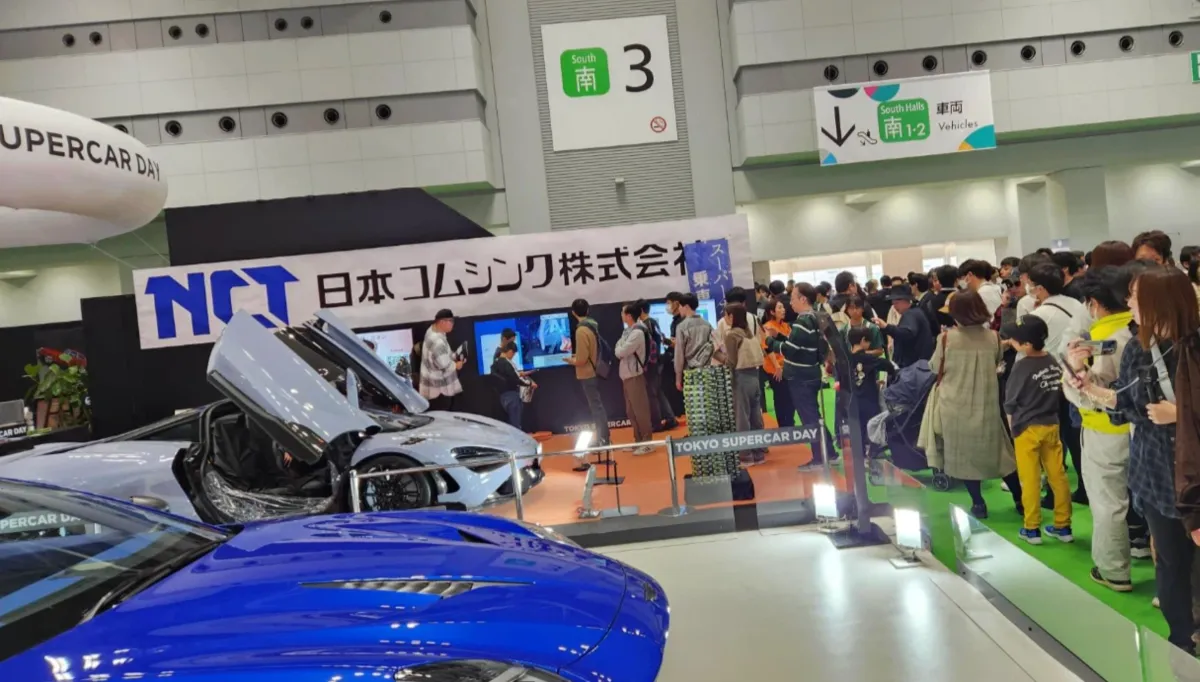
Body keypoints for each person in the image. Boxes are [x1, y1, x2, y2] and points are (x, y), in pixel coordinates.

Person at [1068, 266, 1197, 654]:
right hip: (1156, 472)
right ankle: (1181, 640)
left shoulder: (1194, 345)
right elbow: (1125, 404)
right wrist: (1088, 386)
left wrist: (1181, 414)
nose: (1129, 304)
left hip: (1193, 473)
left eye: (1136, 297)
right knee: (1170, 562)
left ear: (1161, 302)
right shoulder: (1139, 348)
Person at [1062, 266, 1141, 592]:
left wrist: (1074, 369)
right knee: (1153, 504)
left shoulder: (1097, 341)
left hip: (1104, 428)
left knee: (1109, 502)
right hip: (1148, 428)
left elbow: (1082, 392)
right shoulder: (1142, 330)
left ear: (1093, 303)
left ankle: (1113, 570)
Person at [922, 291, 1022, 519]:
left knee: (963, 457)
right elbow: (997, 361)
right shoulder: (993, 337)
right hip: (986, 404)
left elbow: (934, 367)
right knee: (1001, 454)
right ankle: (1020, 499)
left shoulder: (946, 338)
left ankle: (978, 503)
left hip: (954, 406)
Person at [1003, 315, 1073, 545]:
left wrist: (1013, 429)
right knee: (1058, 476)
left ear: (1026, 344)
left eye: (1015, 339)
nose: (1011, 342)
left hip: (1026, 429)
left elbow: (1010, 402)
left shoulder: (1021, 366)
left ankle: (1031, 528)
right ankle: (1063, 525)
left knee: (1030, 479)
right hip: (1052, 424)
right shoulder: (1052, 361)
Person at [1024, 262, 1089, 504]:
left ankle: (1054, 493)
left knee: (1052, 440)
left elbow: (1028, 351)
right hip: (1077, 376)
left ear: (1040, 288)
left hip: (1047, 381)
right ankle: (1083, 487)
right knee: (1074, 437)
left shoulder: (1039, 315)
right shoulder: (1077, 305)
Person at [766, 283, 836, 467]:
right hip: (810, 372)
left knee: (809, 418)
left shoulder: (803, 322)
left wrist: (769, 341)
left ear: (803, 299)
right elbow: (800, 344)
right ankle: (829, 452)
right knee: (813, 415)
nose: (790, 303)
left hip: (801, 377)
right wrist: (779, 337)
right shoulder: (814, 317)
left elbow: (790, 350)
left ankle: (820, 457)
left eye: (793, 298)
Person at [724, 302, 767, 466]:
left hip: (740, 378)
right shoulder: (749, 333)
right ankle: (759, 453)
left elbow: (731, 362)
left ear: (731, 316)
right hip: (755, 376)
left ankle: (745, 455)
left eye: (726, 315)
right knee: (756, 416)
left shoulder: (732, 335)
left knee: (742, 417)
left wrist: (717, 355)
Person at [564, 298, 610, 450]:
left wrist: (571, 360)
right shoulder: (592, 326)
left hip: (588, 373)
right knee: (597, 406)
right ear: (588, 310)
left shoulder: (581, 330)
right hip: (594, 370)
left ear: (573, 313)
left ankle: (603, 439)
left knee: (596, 408)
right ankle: (603, 437)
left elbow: (582, 359)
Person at [846, 326, 896, 454]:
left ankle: (860, 455)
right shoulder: (869, 359)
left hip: (852, 400)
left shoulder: (846, 359)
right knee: (873, 427)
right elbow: (888, 366)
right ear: (863, 340)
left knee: (858, 431)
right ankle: (874, 452)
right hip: (869, 399)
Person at [615, 303, 655, 455]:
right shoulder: (628, 331)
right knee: (631, 411)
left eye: (622, 313)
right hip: (627, 375)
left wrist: (620, 348)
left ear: (629, 316)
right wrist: (620, 347)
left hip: (635, 376)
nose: (621, 315)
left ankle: (647, 442)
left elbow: (620, 351)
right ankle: (638, 440)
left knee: (640, 411)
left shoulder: (637, 332)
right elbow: (619, 347)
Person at [637, 299, 678, 430]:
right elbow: (661, 338)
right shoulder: (652, 322)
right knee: (657, 392)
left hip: (652, 363)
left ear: (641, 310)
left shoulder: (646, 324)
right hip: (657, 362)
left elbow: (650, 345)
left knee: (653, 393)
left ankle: (658, 423)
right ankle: (669, 418)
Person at [873, 284, 933, 368]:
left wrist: (887, 327)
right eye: (893, 304)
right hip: (917, 363)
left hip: (914, 365)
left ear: (906, 300)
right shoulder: (915, 312)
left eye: (896, 303)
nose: (895, 307)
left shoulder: (911, 314)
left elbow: (907, 333)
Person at [419, 309, 464, 411]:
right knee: (443, 416)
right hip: (439, 392)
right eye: (451, 321)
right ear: (442, 322)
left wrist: (454, 356)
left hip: (432, 388)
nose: (453, 324)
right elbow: (445, 366)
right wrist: (457, 365)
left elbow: (442, 354)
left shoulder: (432, 331)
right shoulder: (437, 341)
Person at [761, 296, 796, 427]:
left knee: (790, 398)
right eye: (779, 308)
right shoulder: (767, 327)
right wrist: (777, 367)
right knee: (781, 398)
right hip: (775, 369)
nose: (783, 310)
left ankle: (790, 423)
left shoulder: (786, 326)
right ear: (772, 312)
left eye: (783, 307)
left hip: (788, 367)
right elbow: (767, 349)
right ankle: (783, 425)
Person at [674, 292, 716, 391]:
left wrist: (678, 378)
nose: (679, 309)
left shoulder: (681, 327)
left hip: (690, 372)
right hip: (707, 371)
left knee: (694, 399)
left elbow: (679, 354)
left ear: (686, 307)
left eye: (680, 306)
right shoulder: (707, 324)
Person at [491, 342, 534, 430]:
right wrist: (529, 384)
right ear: (510, 351)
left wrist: (519, 374)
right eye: (513, 354)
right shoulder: (507, 364)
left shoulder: (495, 363)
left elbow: (506, 376)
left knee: (509, 424)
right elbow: (515, 379)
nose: (512, 356)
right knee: (515, 424)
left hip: (502, 397)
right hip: (512, 397)